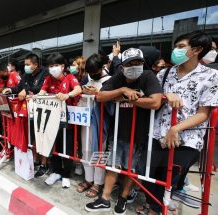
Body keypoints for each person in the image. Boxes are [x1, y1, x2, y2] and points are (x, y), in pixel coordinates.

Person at [137, 31, 217, 215]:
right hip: (157, 133)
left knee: (169, 177)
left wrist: (176, 128)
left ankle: (155, 209)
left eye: (181, 47)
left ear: (196, 50)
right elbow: (153, 97)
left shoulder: (210, 76)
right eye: (176, 46)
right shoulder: (165, 73)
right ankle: (154, 205)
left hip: (186, 139)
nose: (175, 50)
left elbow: (204, 113)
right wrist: (166, 97)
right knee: (146, 172)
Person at [85, 48, 163, 215]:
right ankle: (104, 198)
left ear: (143, 64)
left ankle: (122, 199)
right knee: (113, 165)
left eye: (138, 63)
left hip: (140, 133)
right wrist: (122, 90)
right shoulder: (119, 77)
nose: (134, 67)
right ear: (122, 67)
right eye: (130, 64)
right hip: (118, 130)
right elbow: (100, 96)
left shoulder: (148, 76)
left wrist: (130, 100)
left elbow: (155, 102)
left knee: (130, 169)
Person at [38, 52, 82, 188]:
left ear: (62, 66)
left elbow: (78, 89)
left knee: (68, 148)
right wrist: (34, 98)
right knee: (54, 146)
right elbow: (42, 93)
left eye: (56, 65)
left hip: (67, 122)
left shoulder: (70, 77)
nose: (53, 68)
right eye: (50, 66)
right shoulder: (48, 79)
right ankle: (56, 171)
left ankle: (67, 174)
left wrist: (67, 95)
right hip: (51, 121)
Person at [2, 53, 50, 178]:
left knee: (42, 137)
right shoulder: (26, 75)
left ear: (36, 64)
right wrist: (11, 90)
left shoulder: (45, 73)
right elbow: (19, 87)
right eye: (25, 64)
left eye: (28, 64)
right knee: (33, 136)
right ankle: (36, 159)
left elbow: (41, 88)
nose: (26, 67)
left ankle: (44, 164)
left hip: (43, 110)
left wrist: (28, 90)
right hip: (30, 111)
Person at [76, 53, 111, 198]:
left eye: (94, 72)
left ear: (102, 67)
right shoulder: (87, 78)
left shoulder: (110, 79)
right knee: (85, 150)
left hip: (100, 121)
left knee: (99, 152)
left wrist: (98, 93)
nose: (91, 75)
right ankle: (88, 179)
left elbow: (110, 99)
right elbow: (79, 89)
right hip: (85, 120)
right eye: (89, 72)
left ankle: (98, 183)